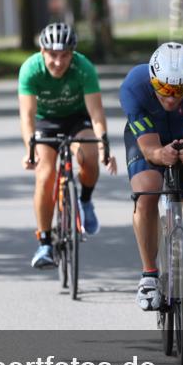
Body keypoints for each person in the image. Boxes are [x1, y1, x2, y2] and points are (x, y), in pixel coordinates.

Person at [119, 43, 183, 318]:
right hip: (147, 137)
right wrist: (159, 154)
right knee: (146, 196)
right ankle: (149, 274)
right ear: (152, 80)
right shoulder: (133, 87)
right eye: (164, 90)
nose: (171, 99)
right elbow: (150, 150)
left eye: (179, 91)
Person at [20, 22, 117, 269]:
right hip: (46, 121)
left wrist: (104, 146)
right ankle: (44, 242)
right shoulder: (30, 69)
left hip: (77, 119)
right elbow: (27, 116)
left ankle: (84, 200)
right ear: (43, 52)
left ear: (72, 54)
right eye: (52, 55)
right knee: (45, 173)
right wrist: (29, 150)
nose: (58, 62)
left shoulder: (84, 68)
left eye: (64, 56)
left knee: (89, 155)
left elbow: (96, 114)